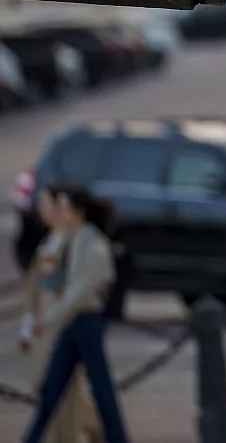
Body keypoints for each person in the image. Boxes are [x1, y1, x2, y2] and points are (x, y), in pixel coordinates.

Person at [22, 185, 128, 443]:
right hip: (74, 322)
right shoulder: (75, 239)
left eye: (64, 207)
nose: (60, 212)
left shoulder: (92, 243)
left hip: (87, 322)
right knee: (53, 389)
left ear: (78, 212)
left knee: (101, 389)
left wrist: (47, 319)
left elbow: (78, 292)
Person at [19, 226, 100, 443]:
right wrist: (26, 327)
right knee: (45, 385)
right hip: (44, 332)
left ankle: (75, 433)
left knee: (66, 391)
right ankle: (94, 423)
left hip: (65, 329)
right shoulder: (47, 246)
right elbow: (33, 289)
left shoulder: (79, 247)